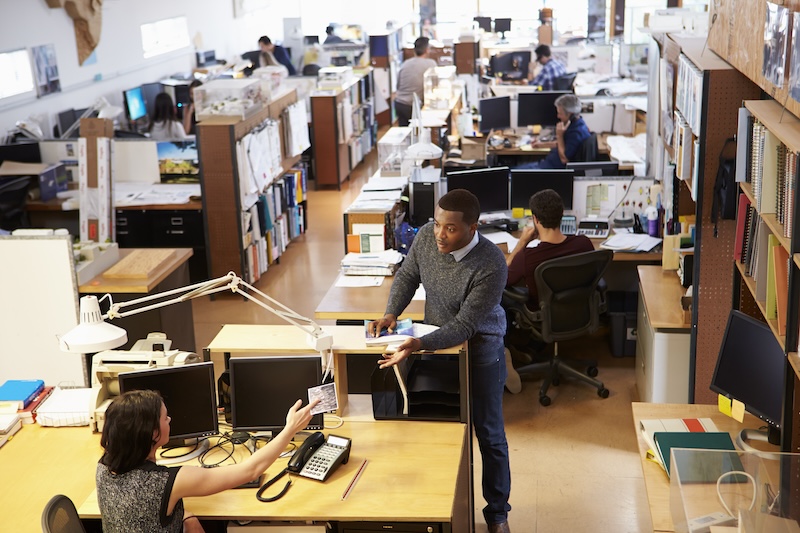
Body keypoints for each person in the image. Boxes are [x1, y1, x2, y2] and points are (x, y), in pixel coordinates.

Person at [367, 190, 512, 533]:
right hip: (436, 349)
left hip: (479, 353)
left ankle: (497, 514)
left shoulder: (491, 263)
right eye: (437, 225)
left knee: (489, 436)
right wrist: (391, 313)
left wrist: (417, 343)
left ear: (473, 227)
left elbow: (464, 326)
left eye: (450, 229)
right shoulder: (426, 238)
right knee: (438, 431)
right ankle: (440, 508)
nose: (439, 235)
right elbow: (407, 276)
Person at [96, 389, 319, 533]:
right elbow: (251, 470)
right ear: (154, 433)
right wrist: (290, 429)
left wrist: (184, 516)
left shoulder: (103, 467)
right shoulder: (168, 482)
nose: (170, 419)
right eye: (165, 417)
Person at [503, 189, 594, 392]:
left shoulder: (529, 256)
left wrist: (522, 241)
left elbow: (504, 277)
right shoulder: (584, 243)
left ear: (535, 220)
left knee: (500, 296)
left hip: (541, 316)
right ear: (562, 214)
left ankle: (506, 351)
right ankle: (526, 349)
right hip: (579, 312)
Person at [516, 93, 589, 170]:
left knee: (512, 174)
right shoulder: (577, 124)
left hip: (552, 170)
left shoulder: (576, 133)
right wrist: (541, 145)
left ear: (571, 115)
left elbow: (564, 159)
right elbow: (562, 144)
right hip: (547, 164)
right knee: (513, 170)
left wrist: (559, 135)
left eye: (560, 113)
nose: (558, 116)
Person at [394, 36, 437, 126]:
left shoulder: (405, 63)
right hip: (413, 106)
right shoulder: (431, 64)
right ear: (427, 50)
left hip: (399, 104)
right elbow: (435, 85)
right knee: (419, 133)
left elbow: (397, 86)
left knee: (405, 133)